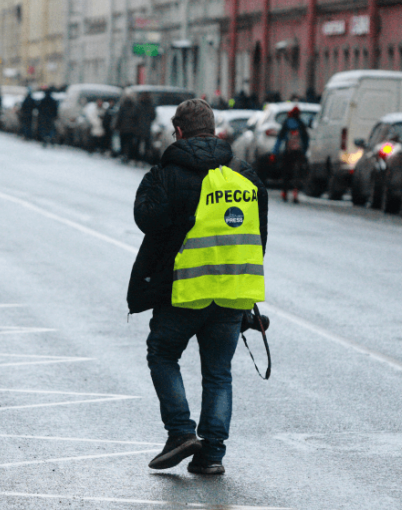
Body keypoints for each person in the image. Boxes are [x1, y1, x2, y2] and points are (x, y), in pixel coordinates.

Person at [127, 98, 268, 475]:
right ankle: (212, 455)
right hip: (232, 293)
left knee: (162, 353)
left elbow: (147, 220)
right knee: (218, 373)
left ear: (178, 131)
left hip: (184, 291)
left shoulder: (169, 174)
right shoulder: (246, 176)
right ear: (216, 129)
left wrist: (154, 177)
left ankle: (180, 432)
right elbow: (259, 237)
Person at [272, 106, 309, 203]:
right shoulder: (301, 124)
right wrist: (304, 151)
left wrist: (274, 152)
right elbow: (306, 139)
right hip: (298, 153)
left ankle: (284, 193)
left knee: (286, 173)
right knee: (297, 174)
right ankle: (295, 194)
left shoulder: (286, 123)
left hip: (288, 152)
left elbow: (279, 139)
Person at [115, 93, 139, 161]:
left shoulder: (123, 106)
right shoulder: (134, 107)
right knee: (129, 143)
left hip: (123, 128)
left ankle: (123, 154)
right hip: (131, 129)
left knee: (123, 142)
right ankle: (128, 155)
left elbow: (119, 117)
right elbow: (136, 118)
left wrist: (117, 126)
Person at [137, 92, 156, 162]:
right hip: (147, 127)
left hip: (139, 127)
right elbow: (153, 115)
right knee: (147, 145)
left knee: (138, 144)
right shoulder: (151, 105)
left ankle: (138, 158)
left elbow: (135, 114)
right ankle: (146, 159)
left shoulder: (139, 104)